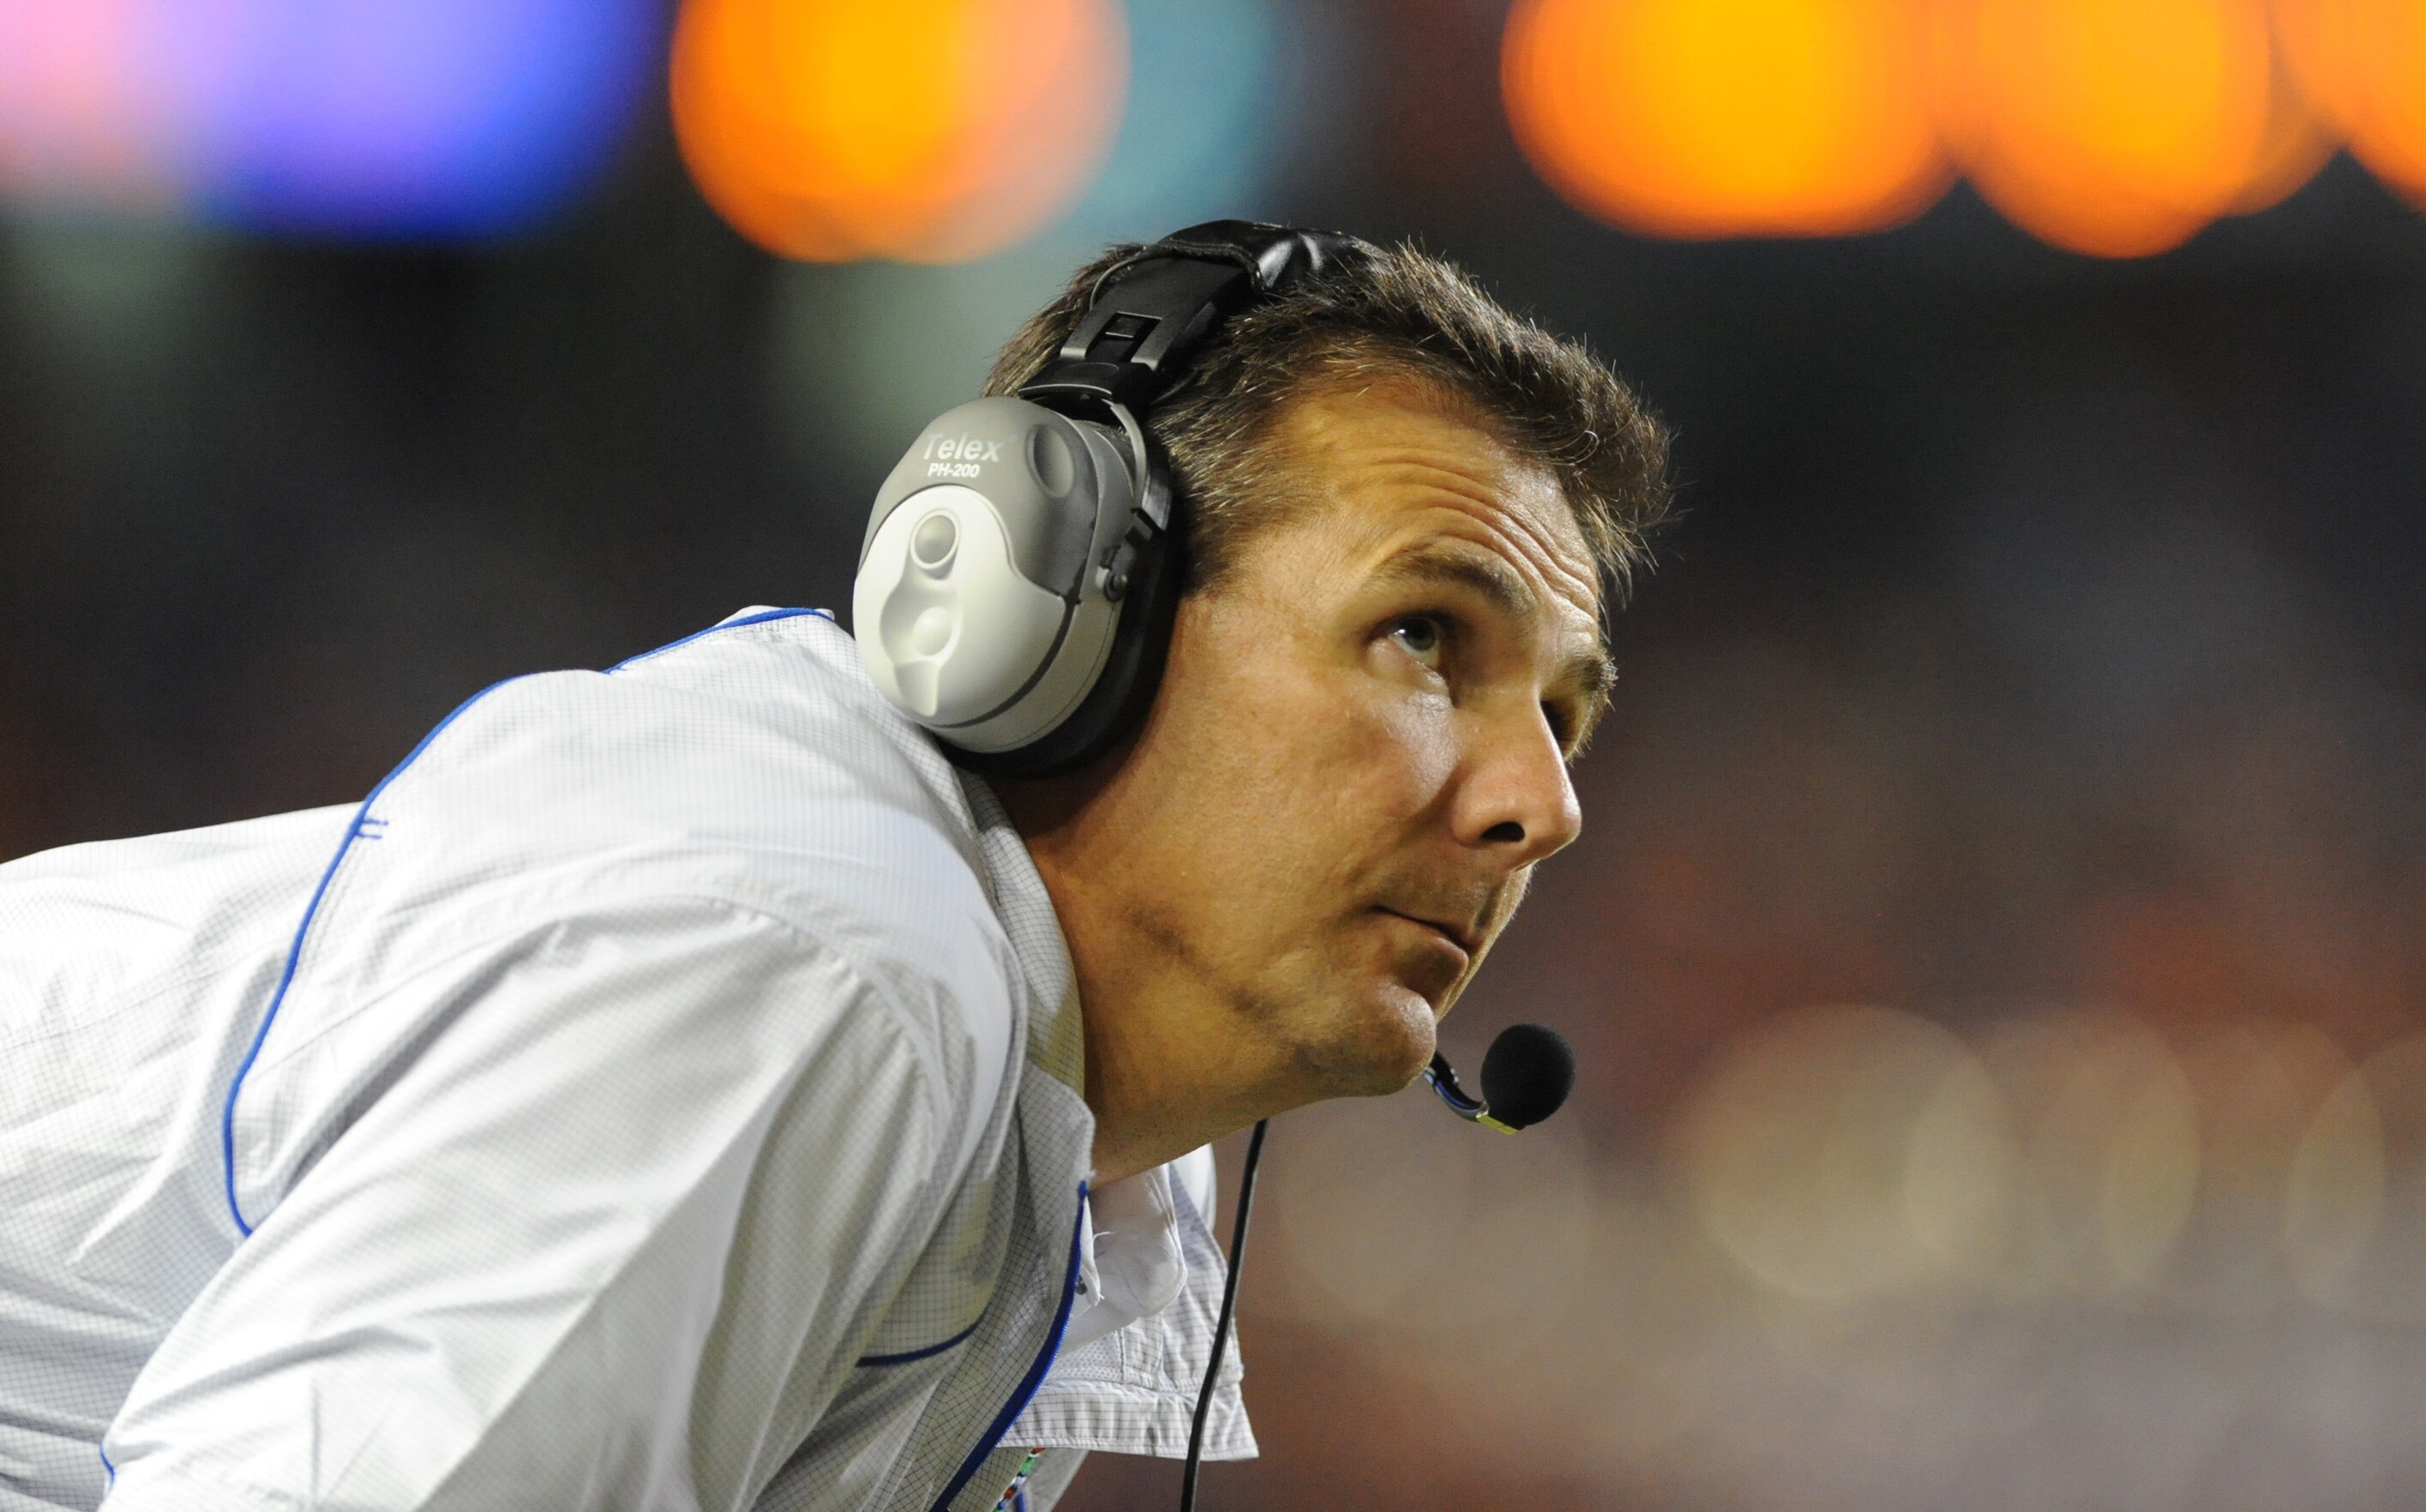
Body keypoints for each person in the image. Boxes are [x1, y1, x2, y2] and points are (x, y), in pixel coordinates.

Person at [0, 226, 1669, 1512]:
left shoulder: (1034, 1113)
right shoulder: (819, 959)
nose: (1541, 803)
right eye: (1422, 637)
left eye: (1566, 718)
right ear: (1062, 602)